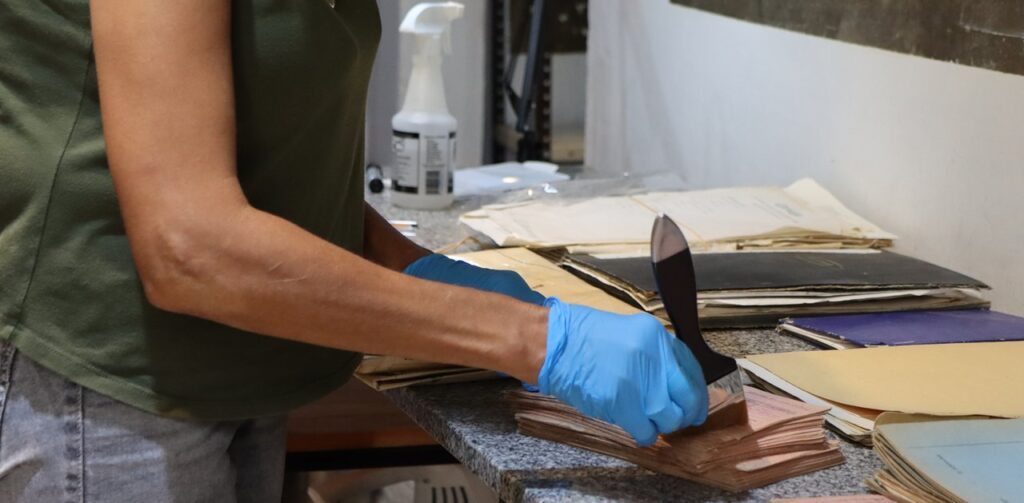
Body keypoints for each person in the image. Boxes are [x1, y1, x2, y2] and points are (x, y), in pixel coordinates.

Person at [0, 0, 708, 501]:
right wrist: (537, 338)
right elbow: (189, 246)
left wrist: (420, 270)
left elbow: (278, 170)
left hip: (248, 360)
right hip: (113, 389)